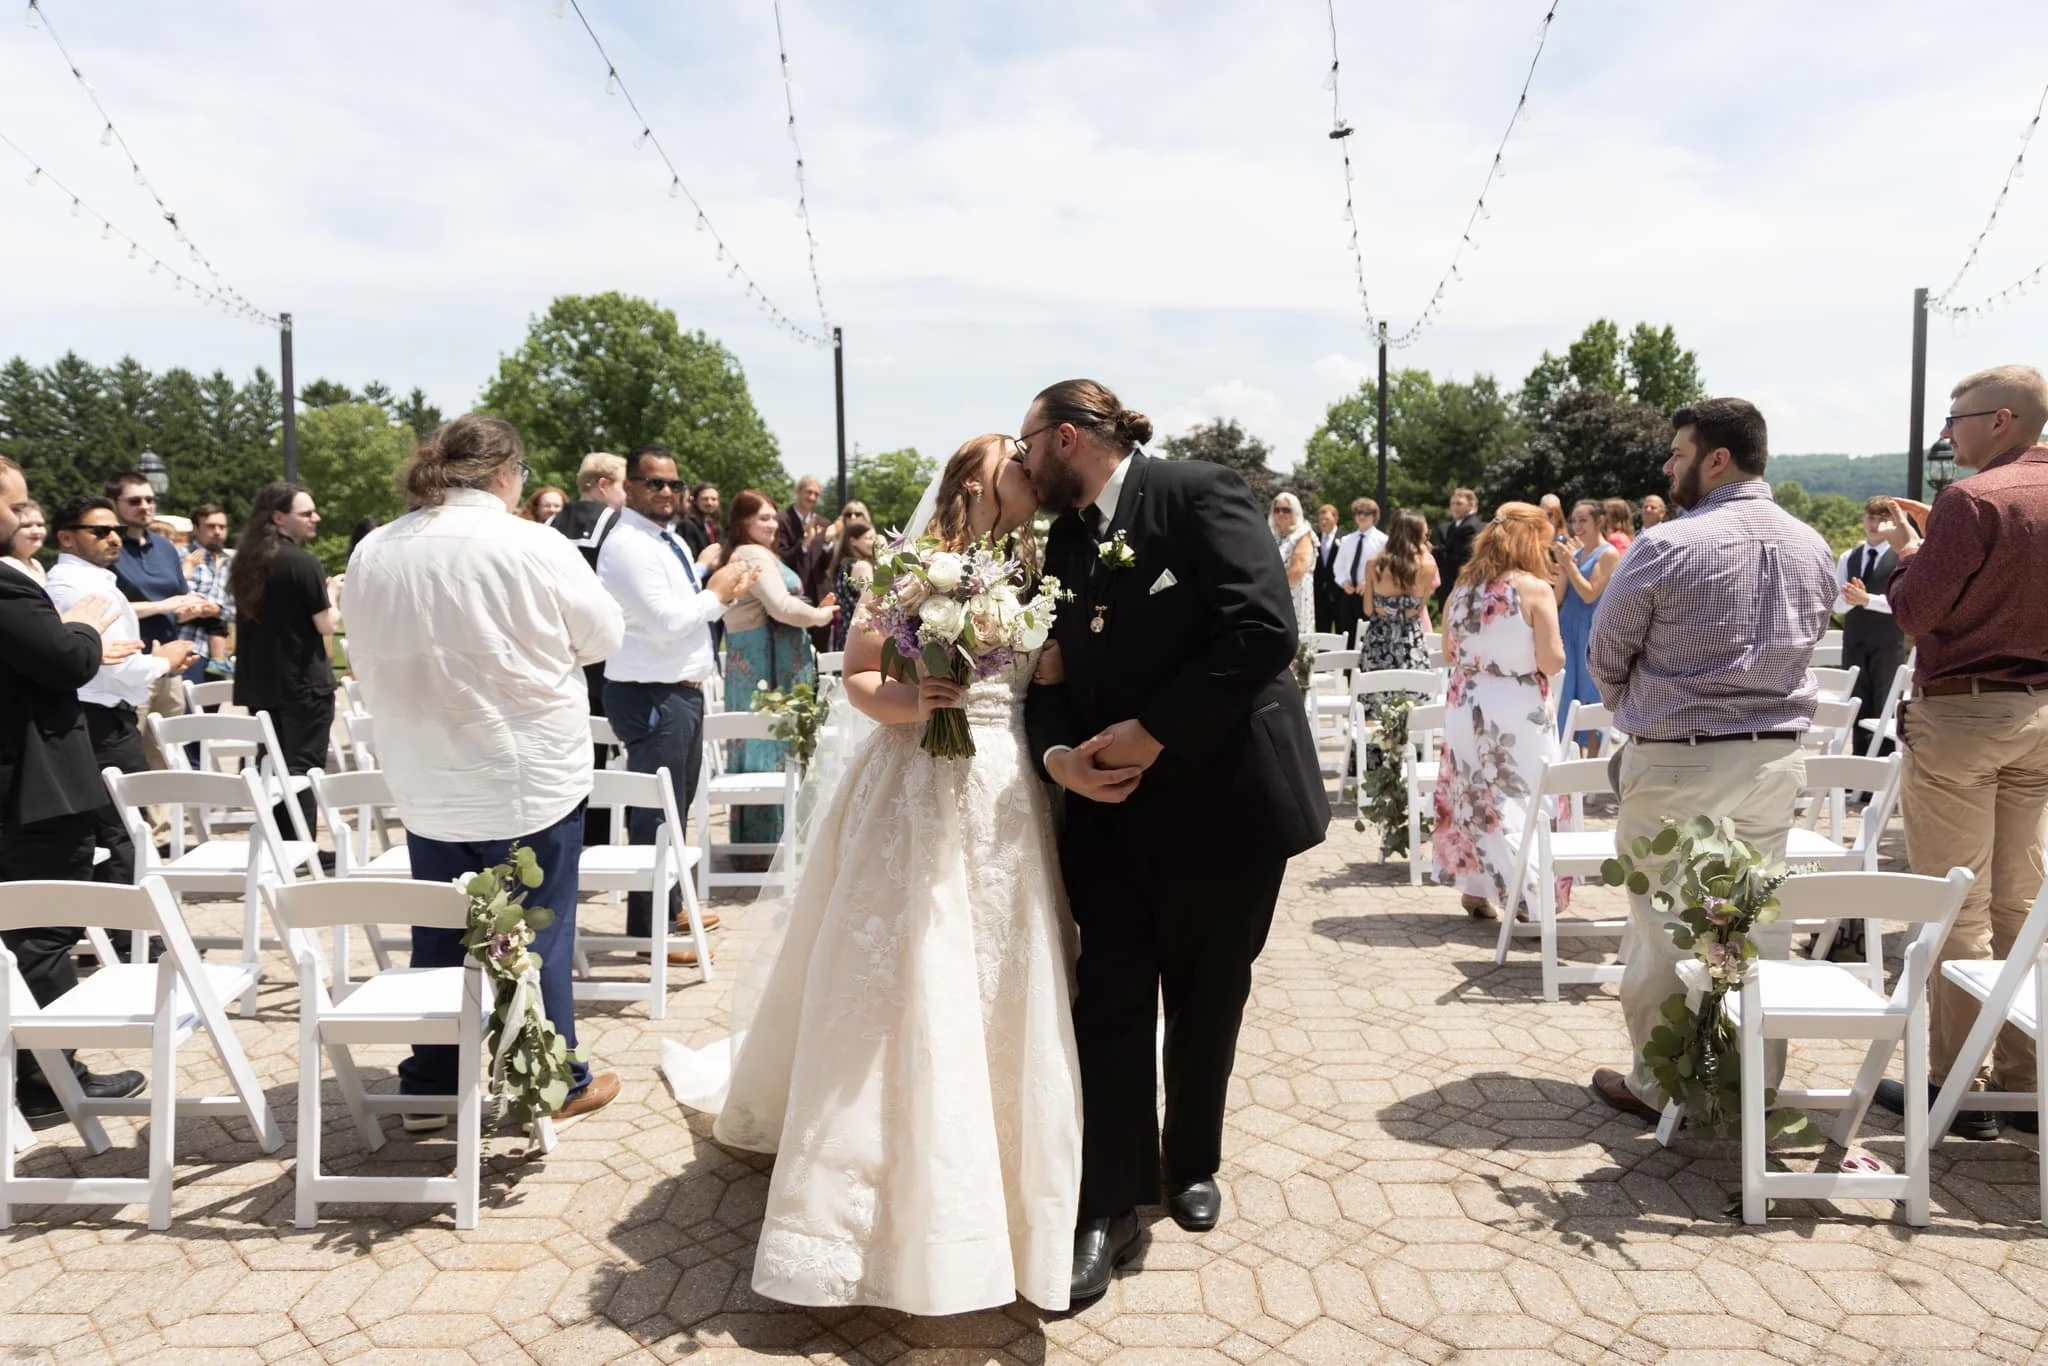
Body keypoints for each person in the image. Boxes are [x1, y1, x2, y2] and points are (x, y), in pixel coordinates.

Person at [691, 434, 1082, 1315]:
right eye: (1012, 463)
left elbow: (1046, 673)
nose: (1029, 472)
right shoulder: (912, 568)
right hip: (911, 778)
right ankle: (863, 1202)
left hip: (1002, 787)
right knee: (902, 975)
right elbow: (860, 675)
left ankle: (1004, 1184)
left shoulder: (1038, 567)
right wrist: (917, 701)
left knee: (992, 969)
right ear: (972, 482)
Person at [1020, 379, 1328, 1302]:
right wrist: (1060, 757)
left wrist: (1155, 730)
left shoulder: (1199, 493)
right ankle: (1105, 1206)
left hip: (1225, 804)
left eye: (1029, 442)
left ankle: (1191, 1157)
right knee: (1109, 999)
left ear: (1067, 437)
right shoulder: (1058, 544)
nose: (1022, 461)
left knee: (1209, 992)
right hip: (1108, 814)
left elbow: (1261, 630)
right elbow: (1045, 681)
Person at [345, 414, 627, 1125]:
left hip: (426, 771)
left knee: (440, 931)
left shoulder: (375, 549)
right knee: (542, 929)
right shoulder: (532, 543)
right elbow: (602, 638)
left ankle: (434, 1081)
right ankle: (552, 1077)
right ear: (507, 473)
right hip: (523, 771)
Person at [1585, 398, 1836, 1122]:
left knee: (1666, 922)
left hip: (1679, 761)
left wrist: (1642, 708)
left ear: (1717, 459)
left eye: (1678, 452)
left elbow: (1606, 652)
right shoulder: (1812, 544)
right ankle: (1745, 1082)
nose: (1669, 466)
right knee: (1751, 921)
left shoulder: (1668, 545)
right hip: (1773, 760)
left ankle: (1661, 1085)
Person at [1869, 364, 2048, 1141]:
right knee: (2020, 900)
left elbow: (1912, 611)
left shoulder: (1971, 501)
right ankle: (2025, 1077)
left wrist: (1915, 549)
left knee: (1956, 902)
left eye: (1957, 418)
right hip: (2042, 711)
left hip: (1966, 713)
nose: (1949, 433)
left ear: (2001, 419)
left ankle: (1956, 1085)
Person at [0, 456, 145, 1126]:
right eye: (15, 505)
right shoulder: (9, 586)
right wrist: (83, 626)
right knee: (45, 933)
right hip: (35, 786)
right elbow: (62, 662)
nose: (22, 517)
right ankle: (53, 1078)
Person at [596, 444, 759, 965]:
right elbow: (669, 621)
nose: (667, 492)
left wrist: (715, 591)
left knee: (677, 807)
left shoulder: (665, 540)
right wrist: (719, 593)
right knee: (655, 816)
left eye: (674, 484)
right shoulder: (627, 545)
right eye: (653, 483)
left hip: (677, 689)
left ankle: (672, 908)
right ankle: (652, 932)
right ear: (629, 488)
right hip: (651, 691)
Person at [45, 495, 199, 894]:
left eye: (115, 530)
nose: (114, 538)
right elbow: (116, 666)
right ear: (66, 538)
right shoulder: (77, 587)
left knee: (113, 831)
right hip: (100, 721)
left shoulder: (90, 580)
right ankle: (134, 935)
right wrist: (163, 660)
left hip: (104, 715)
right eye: (99, 531)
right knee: (124, 831)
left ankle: (122, 933)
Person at [1432, 503, 1568, 921]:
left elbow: (1447, 651)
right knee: (1521, 796)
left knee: (1472, 795)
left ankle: (1475, 890)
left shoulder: (1462, 588)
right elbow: (1552, 660)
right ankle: (1525, 895)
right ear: (1531, 542)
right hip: (1516, 707)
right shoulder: (1534, 590)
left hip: (1465, 702)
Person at [724, 490, 838, 849]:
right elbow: (781, 606)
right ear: (743, 522)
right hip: (760, 662)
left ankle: (774, 843)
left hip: (768, 657)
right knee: (766, 746)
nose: (772, 524)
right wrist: (820, 616)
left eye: (774, 517)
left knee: (776, 745)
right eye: (763, 518)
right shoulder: (751, 554)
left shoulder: (759, 553)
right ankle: (767, 846)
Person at [229, 482, 337, 840]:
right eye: (306, 513)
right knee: (302, 769)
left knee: (271, 764)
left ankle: (278, 843)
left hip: (261, 683)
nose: (315, 518)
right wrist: (335, 593)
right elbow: (327, 624)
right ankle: (300, 847)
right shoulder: (302, 563)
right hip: (302, 682)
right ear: (278, 517)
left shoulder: (246, 562)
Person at [107, 472, 213, 777]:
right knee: (128, 753)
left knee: (166, 752)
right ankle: (129, 823)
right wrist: (160, 606)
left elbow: (177, 603)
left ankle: (164, 826)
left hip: (169, 663)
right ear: (114, 504)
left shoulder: (165, 548)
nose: (145, 506)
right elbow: (107, 607)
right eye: (135, 500)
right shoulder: (108, 548)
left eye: (150, 499)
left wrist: (195, 607)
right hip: (128, 664)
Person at [1835, 497, 1908, 761]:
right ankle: (1857, 772)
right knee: (1856, 702)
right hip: (1855, 640)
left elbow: (1902, 602)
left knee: (1885, 703)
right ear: (1864, 519)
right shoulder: (1848, 557)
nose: (1875, 525)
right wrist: (1849, 598)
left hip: (1889, 643)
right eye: (1871, 518)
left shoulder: (1901, 556)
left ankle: (1879, 771)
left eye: (1882, 519)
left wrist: (1867, 600)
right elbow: (1836, 605)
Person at [1552, 499, 1622, 751]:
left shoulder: (1609, 554)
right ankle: (1568, 763)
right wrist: (1563, 567)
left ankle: (1592, 766)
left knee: (1589, 696)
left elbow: (1590, 593)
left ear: (1599, 521)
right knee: (1566, 695)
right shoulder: (1576, 554)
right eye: (1574, 521)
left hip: (1589, 630)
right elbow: (1558, 597)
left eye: (1583, 520)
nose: (1577, 526)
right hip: (1567, 626)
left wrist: (1569, 565)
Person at [1361, 510, 1439, 671]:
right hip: (1411, 642)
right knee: (1412, 693)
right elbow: (1419, 610)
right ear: (1418, 534)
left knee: (1375, 692)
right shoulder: (1429, 567)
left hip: (1378, 642)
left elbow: (1368, 609)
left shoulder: (1373, 565)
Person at [180, 504, 234, 681]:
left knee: (214, 706)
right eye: (211, 527)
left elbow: (243, 609)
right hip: (187, 648)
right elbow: (171, 597)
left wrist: (218, 610)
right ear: (196, 529)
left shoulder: (234, 564)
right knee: (187, 707)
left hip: (221, 654)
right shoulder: (181, 556)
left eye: (222, 527)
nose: (217, 532)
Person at [1332, 496, 1385, 645]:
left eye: (1366, 513)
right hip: (1349, 595)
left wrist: (1369, 583)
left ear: (1374, 516)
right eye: (1358, 513)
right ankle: (1346, 669)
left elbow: (1384, 569)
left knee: (1367, 637)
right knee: (1347, 635)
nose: (1361, 516)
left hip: (1370, 596)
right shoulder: (1347, 540)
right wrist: (1343, 582)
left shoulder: (1383, 541)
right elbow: (1339, 567)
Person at [822, 520, 877, 653]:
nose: (874, 543)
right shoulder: (863, 566)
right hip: (863, 635)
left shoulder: (843, 566)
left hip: (846, 634)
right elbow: (872, 601)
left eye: (874, 538)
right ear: (853, 541)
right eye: (869, 538)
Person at [1269, 491, 1316, 636]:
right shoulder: (1273, 535)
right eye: (1277, 510)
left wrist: (1274, 592)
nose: (1280, 513)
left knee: (1296, 636)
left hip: (1294, 592)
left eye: (1286, 510)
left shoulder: (1302, 534)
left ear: (1295, 511)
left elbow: (1298, 570)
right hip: (1275, 594)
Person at [1433, 488, 1484, 609]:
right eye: (1452, 504)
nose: (1454, 507)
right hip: (1450, 583)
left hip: (1463, 582)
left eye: (1459, 503)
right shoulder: (1450, 527)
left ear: (1471, 505)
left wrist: (1436, 551)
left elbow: (1461, 556)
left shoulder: (1471, 526)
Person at [776, 474, 830, 585]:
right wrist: (805, 542)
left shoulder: (823, 524)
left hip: (820, 592)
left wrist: (828, 542)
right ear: (798, 491)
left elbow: (828, 564)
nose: (812, 497)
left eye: (816, 494)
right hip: (793, 590)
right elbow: (783, 560)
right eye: (809, 492)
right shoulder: (781, 521)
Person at [1311, 503, 1341, 633]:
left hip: (1339, 593)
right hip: (1319, 594)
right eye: (1321, 519)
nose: (1323, 522)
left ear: (1335, 519)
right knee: (1321, 631)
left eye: (1327, 519)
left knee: (1341, 630)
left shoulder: (1344, 538)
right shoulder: (1314, 539)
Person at [3, 498, 46, 585]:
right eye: (26, 526)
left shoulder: (36, 564)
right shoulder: (7, 564)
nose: (37, 531)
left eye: (40, 525)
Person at [679, 483, 723, 561]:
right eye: (705, 499)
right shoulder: (687, 525)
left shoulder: (715, 526)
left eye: (714, 499)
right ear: (695, 501)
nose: (710, 503)